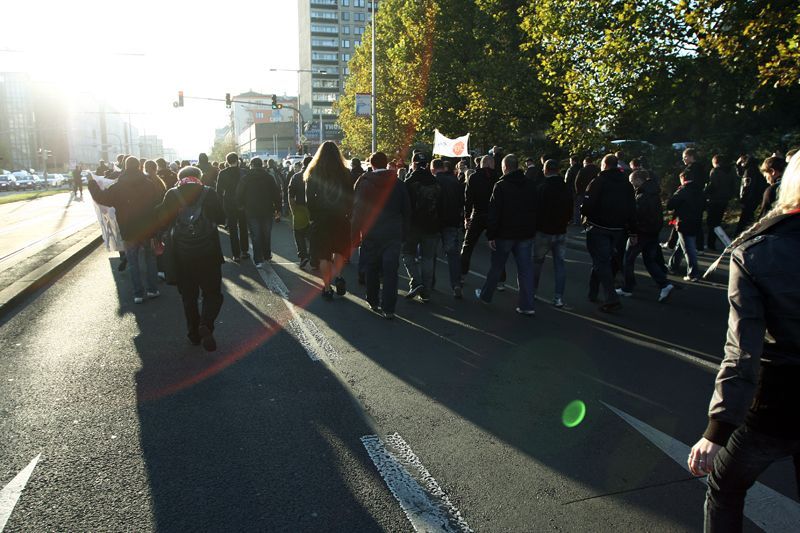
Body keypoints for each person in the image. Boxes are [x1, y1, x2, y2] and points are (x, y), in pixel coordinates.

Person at [688, 152, 800, 531]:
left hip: (778, 403)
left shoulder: (756, 251)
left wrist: (718, 428)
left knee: (724, 486)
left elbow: (743, 350)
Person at [157, 166, 226, 351]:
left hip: (182, 254)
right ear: (199, 177)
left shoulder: (172, 194)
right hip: (209, 253)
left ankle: (193, 334)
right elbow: (221, 217)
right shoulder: (209, 192)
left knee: (189, 297)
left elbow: (163, 220)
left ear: (180, 178)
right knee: (212, 293)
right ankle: (206, 323)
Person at [87, 156, 162, 304]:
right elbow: (158, 203)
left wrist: (91, 183)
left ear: (125, 167)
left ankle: (138, 294)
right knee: (150, 259)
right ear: (139, 167)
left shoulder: (118, 186)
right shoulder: (149, 184)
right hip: (147, 228)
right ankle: (153, 289)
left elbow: (102, 198)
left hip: (128, 229)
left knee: (133, 261)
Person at [475, 154, 538, 315]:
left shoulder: (501, 186)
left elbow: (494, 213)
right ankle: (527, 305)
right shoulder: (530, 185)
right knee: (525, 270)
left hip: (505, 234)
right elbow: (536, 208)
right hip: (525, 233)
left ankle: (486, 295)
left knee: (496, 268)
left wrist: (491, 235)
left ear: (505, 167)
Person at [352, 151, 410, 319]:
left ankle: (372, 299)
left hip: (371, 233)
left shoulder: (364, 183)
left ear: (372, 164)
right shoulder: (398, 184)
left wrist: (355, 234)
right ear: (386, 164)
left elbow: (358, 211)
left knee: (372, 267)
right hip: (393, 233)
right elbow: (407, 210)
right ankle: (389, 307)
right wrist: (404, 233)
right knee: (391, 270)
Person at [580, 154, 637, 312]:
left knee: (601, 261)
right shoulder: (626, 184)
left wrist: (585, 214)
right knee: (602, 259)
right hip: (618, 229)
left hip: (598, 226)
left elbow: (587, 205)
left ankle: (611, 298)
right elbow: (632, 208)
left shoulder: (598, 182)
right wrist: (633, 231)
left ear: (604, 165)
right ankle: (593, 291)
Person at [305, 141, 353, 300]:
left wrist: (314, 216)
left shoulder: (313, 172)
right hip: (341, 217)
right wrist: (347, 213)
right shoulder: (345, 172)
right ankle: (338, 275)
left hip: (321, 218)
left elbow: (309, 200)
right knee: (339, 250)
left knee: (323, 255)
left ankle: (327, 288)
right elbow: (350, 197)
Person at [617, 170, 674, 302]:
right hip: (652, 232)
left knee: (628, 260)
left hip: (640, 233)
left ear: (638, 180)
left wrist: (632, 233)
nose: (631, 184)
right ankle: (664, 284)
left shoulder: (641, 196)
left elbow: (636, 217)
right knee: (649, 260)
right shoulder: (654, 193)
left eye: (632, 182)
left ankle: (628, 287)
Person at [533, 159, 572, 308]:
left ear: (546, 170)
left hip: (543, 231)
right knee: (560, 264)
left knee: (537, 263)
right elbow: (570, 208)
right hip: (561, 230)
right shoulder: (565, 187)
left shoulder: (542, 187)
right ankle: (558, 297)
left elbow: (536, 210)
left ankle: (532, 292)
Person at [402, 153, 441, 302]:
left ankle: (416, 281)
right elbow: (440, 205)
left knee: (407, 254)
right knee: (428, 258)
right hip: (431, 225)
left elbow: (404, 205)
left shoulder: (409, 181)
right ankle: (426, 291)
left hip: (413, 225)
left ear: (414, 164)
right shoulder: (435, 182)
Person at [236, 157, 281, 268]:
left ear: (251, 165)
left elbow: (239, 194)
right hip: (267, 210)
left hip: (251, 210)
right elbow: (276, 193)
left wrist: (240, 206)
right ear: (261, 165)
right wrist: (278, 208)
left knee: (256, 235)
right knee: (266, 234)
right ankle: (267, 255)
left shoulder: (245, 178)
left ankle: (258, 260)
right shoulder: (269, 177)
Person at [432, 158, 464, 298]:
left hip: (435, 222)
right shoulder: (454, 181)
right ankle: (456, 283)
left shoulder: (433, 182)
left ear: (433, 169)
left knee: (430, 254)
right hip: (452, 221)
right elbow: (462, 201)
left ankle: (430, 282)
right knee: (453, 255)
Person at [666, 170, 705, 281]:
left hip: (684, 222)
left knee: (688, 248)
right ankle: (673, 265)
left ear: (683, 178)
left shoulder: (682, 191)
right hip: (696, 221)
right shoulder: (700, 191)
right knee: (681, 245)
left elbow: (670, 204)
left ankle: (693, 273)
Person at [460, 155, 495, 276]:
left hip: (478, 213)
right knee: (496, 248)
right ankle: (500, 278)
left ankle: (462, 273)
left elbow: (468, 199)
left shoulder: (473, 177)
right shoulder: (497, 177)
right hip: (493, 215)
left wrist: (467, 216)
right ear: (491, 164)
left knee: (468, 245)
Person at [216, 152, 250, 262]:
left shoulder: (222, 173)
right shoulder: (244, 172)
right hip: (242, 203)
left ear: (227, 161)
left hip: (229, 203)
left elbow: (219, 191)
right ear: (237, 160)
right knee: (243, 227)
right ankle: (245, 251)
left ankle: (236, 254)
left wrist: (222, 204)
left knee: (233, 229)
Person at [704, 155, 738, 251]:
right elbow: (734, 185)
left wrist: (705, 192)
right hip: (724, 199)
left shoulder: (715, 171)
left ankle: (711, 244)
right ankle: (719, 242)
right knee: (717, 222)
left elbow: (713, 186)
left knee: (711, 223)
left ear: (715, 162)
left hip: (714, 200)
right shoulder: (731, 171)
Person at [289, 156, 313, 267]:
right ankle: (315, 257)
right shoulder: (317, 176)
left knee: (299, 233)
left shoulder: (296, 177)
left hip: (299, 208)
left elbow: (291, 196)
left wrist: (293, 210)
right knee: (314, 234)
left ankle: (303, 255)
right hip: (315, 209)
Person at [735, 154, 767, 235]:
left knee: (744, 219)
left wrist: (743, 199)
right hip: (755, 198)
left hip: (749, 199)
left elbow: (747, 187)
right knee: (748, 218)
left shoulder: (749, 172)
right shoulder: (756, 171)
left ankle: (739, 235)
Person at [574, 156, 599, 221]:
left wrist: (578, 192)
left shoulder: (582, 170)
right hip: (594, 192)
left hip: (583, 191)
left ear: (586, 162)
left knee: (578, 206)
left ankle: (578, 221)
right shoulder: (597, 170)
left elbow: (577, 181)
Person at [564, 155, 582, 224]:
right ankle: (579, 220)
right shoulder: (581, 168)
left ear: (573, 161)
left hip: (571, 189)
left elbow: (567, 180)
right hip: (581, 189)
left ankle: (574, 220)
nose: (570, 163)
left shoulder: (571, 169)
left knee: (573, 206)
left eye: (570, 161)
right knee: (579, 205)